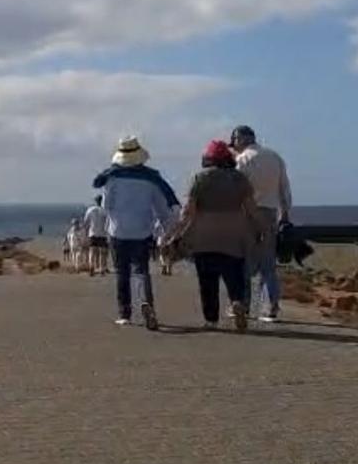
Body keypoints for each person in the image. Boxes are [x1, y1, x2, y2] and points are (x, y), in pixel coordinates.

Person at [92, 136, 178, 330]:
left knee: (122, 273)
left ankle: (125, 314)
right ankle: (146, 303)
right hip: (142, 231)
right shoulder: (151, 179)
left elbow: (106, 206)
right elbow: (161, 208)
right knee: (141, 270)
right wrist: (167, 230)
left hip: (118, 231)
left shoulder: (112, 178)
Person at [177, 140, 262, 332]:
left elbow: (188, 212)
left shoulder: (199, 178)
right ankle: (237, 301)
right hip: (233, 236)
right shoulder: (239, 178)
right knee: (234, 275)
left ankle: (211, 319)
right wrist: (260, 229)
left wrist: (176, 233)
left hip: (203, 237)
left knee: (207, 281)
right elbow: (251, 209)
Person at [231, 126, 292, 323]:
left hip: (247, 214)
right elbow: (284, 188)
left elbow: (236, 190)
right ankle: (270, 307)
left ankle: (244, 305)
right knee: (268, 264)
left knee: (244, 264)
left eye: (235, 141)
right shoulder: (274, 157)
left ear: (240, 139)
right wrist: (285, 214)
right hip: (270, 213)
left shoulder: (242, 160)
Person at [83, 195, 109, 276]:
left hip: (92, 233)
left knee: (92, 251)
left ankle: (92, 267)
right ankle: (102, 269)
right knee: (102, 252)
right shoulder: (105, 210)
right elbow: (108, 222)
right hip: (102, 233)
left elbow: (86, 222)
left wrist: (86, 233)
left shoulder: (90, 210)